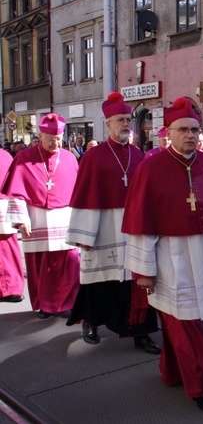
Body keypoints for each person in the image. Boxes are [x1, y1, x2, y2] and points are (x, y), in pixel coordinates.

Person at [122, 97, 203, 418]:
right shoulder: (151, 167)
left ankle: (174, 371)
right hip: (172, 262)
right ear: (169, 133)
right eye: (183, 130)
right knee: (186, 326)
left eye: (194, 129)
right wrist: (144, 271)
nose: (190, 135)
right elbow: (141, 226)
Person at [65, 92, 160, 353]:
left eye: (128, 119)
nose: (126, 124)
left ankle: (141, 333)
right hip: (103, 229)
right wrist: (83, 236)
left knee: (136, 281)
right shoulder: (93, 157)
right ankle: (90, 323)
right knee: (98, 281)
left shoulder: (139, 156)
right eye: (120, 120)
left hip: (133, 228)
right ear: (108, 124)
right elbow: (85, 196)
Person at [3, 113, 80, 319]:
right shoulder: (24, 158)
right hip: (35, 217)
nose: (55, 143)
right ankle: (45, 305)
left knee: (67, 262)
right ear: (40, 136)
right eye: (51, 139)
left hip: (63, 217)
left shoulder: (70, 158)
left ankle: (66, 303)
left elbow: (77, 192)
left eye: (58, 139)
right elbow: (16, 191)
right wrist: (20, 219)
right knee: (41, 265)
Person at [0, 148, 24, 303]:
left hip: (3, 203)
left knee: (6, 247)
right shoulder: (5, 155)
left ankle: (11, 287)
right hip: (5, 204)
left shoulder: (4, 155)